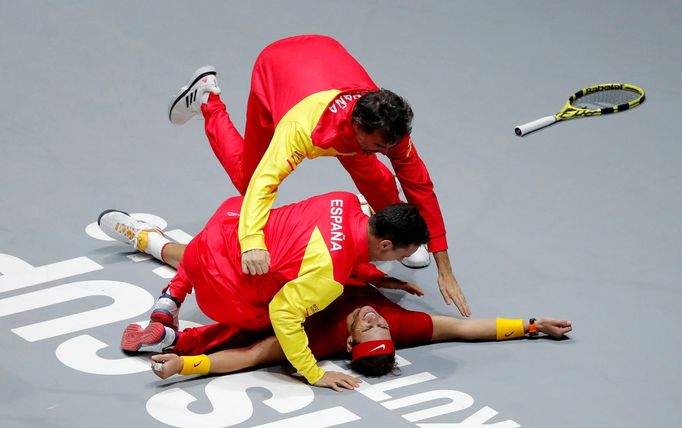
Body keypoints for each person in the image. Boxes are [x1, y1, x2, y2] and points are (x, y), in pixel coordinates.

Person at [167, 34, 471, 317]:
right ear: (358, 127)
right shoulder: (302, 130)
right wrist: (252, 242)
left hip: (326, 55)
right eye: (380, 146)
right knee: (247, 179)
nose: (388, 151)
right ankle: (208, 99)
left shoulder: (388, 128)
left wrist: (444, 267)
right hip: (277, 68)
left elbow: (420, 186)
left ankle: (394, 233)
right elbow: (265, 182)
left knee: (377, 178)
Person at [99, 191, 429, 391]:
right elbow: (281, 318)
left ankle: (149, 247)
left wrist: (372, 274)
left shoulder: (342, 200)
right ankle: (174, 332)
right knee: (265, 321)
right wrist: (314, 374)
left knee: (237, 247)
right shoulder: (330, 278)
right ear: (386, 244)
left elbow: (328, 241)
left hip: (221, 230)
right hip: (218, 291)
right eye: (400, 254)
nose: (400, 261)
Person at [140, 285, 572, 390]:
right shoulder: (399, 326)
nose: (374, 318)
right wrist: (533, 326)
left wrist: (184, 366)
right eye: (380, 326)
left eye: (369, 328)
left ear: (348, 347)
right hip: (349, 259)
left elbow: (250, 356)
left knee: (202, 260)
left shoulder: (318, 340)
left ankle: (150, 241)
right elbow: (465, 328)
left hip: (291, 281)